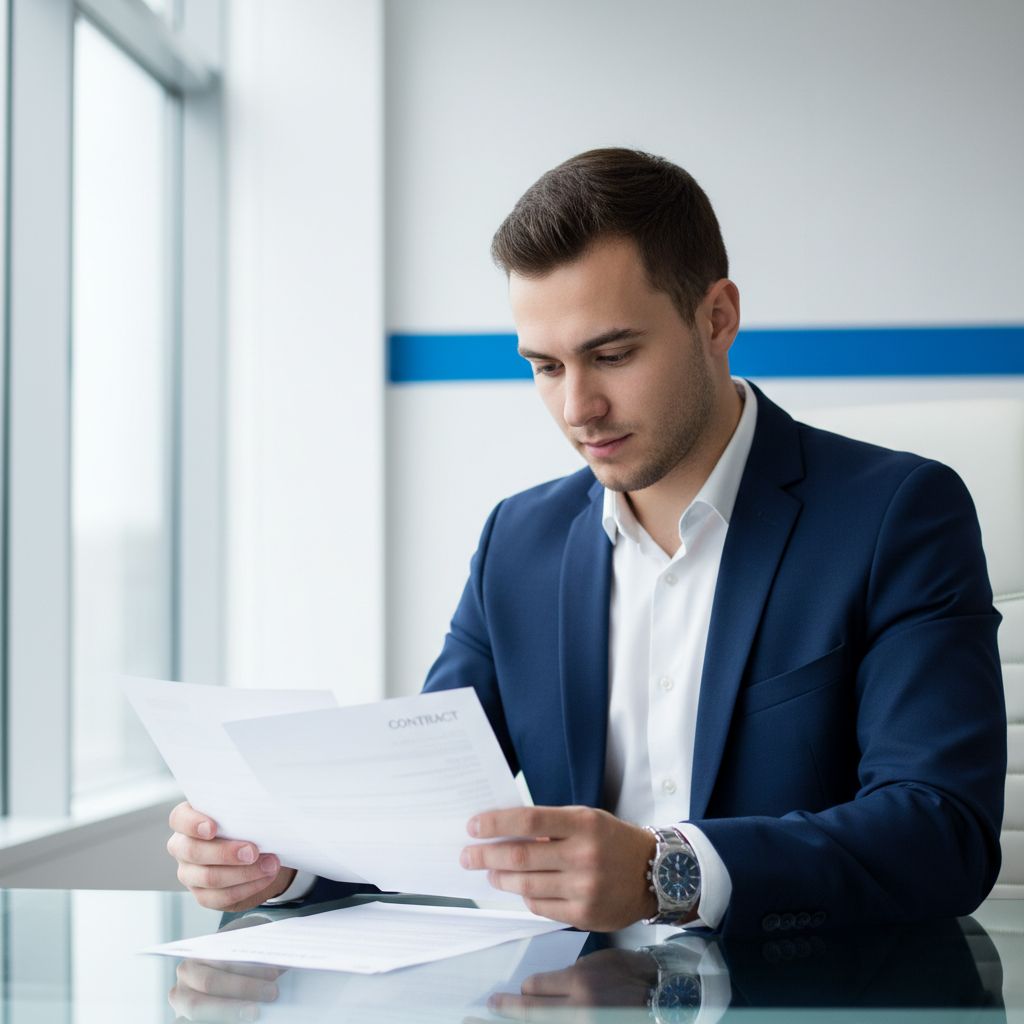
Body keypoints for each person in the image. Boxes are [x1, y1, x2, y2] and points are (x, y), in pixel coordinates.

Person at [167, 148, 1006, 934]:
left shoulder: (895, 514)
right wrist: (278, 862)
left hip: (812, 993)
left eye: (612, 354)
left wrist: (665, 872)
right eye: (546, 366)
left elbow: (943, 830)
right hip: (576, 997)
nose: (578, 409)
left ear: (717, 318)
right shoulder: (518, 542)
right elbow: (422, 809)